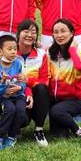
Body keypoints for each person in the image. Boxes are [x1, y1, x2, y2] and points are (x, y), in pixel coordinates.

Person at [47, 19, 81, 140]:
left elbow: (80, 67)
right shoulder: (50, 51)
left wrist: (72, 50)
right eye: (56, 32)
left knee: (56, 111)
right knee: (59, 135)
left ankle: (78, 131)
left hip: (77, 99)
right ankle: (64, 120)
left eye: (63, 31)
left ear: (71, 33)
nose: (59, 35)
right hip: (56, 99)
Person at [0, 35, 30, 150]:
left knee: (20, 110)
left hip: (18, 95)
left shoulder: (18, 63)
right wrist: (2, 82)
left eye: (15, 49)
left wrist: (20, 87)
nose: (13, 52)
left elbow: (22, 81)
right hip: (4, 97)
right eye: (9, 49)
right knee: (10, 109)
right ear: (0, 52)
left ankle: (12, 136)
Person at [15, 19, 50, 147]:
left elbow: (45, 80)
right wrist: (26, 91)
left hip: (36, 97)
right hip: (16, 95)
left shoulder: (42, 55)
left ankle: (39, 129)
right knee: (21, 120)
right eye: (26, 31)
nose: (30, 35)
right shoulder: (9, 52)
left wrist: (28, 80)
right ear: (18, 33)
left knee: (42, 88)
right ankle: (15, 126)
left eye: (33, 32)